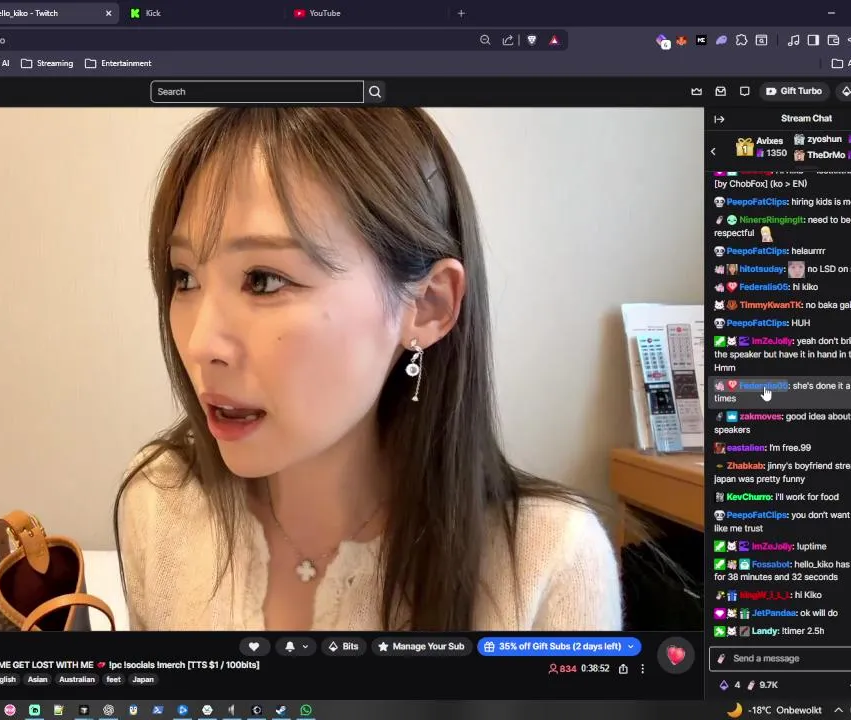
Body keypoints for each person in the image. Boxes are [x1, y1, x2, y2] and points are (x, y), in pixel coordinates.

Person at [114, 108, 621, 632]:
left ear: (428, 304)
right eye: (185, 278)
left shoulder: (545, 564)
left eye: (263, 280)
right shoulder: (162, 503)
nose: (200, 345)